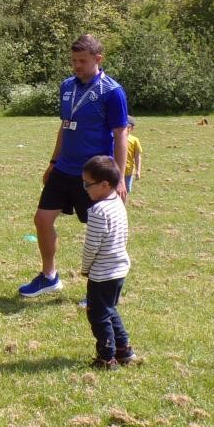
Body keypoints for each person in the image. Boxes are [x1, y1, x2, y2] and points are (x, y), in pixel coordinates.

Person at [19, 34, 129, 298]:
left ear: (98, 59)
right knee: (42, 219)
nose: (76, 65)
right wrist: (53, 162)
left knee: (98, 230)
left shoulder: (112, 92)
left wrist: (120, 177)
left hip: (93, 175)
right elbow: (65, 127)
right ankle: (49, 277)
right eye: (73, 60)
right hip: (64, 169)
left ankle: (98, 290)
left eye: (82, 60)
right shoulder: (67, 86)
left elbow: (121, 134)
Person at [79, 155, 134, 369]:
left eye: (87, 184)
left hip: (102, 274)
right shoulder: (117, 202)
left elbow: (92, 246)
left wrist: (85, 269)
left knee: (98, 315)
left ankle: (107, 357)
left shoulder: (97, 211)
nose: (84, 188)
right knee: (110, 309)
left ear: (104, 184)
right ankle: (124, 350)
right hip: (119, 269)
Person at [124, 117, 142, 197]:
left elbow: (137, 156)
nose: (125, 129)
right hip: (115, 170)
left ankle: (122, 208)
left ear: (132, 128)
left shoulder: (134, 140)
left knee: (125, 191)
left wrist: (138, 170)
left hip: (128, 171)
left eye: (127, 127)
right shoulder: (114, 138)